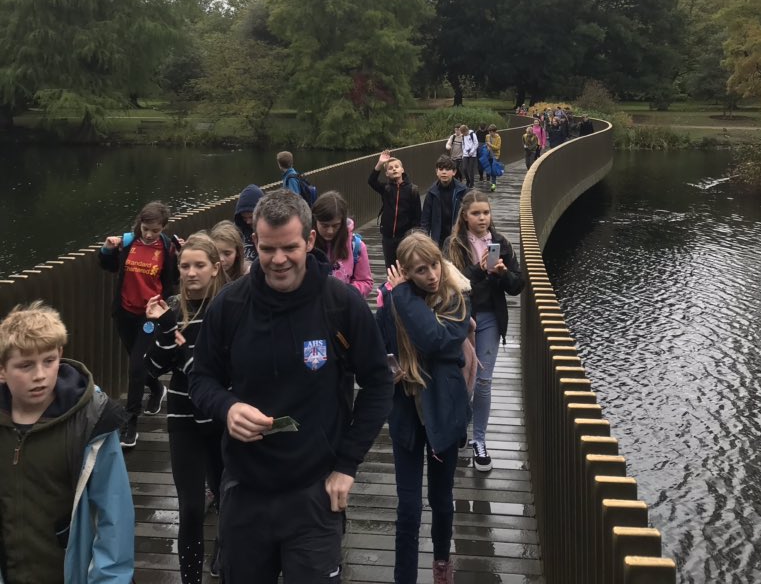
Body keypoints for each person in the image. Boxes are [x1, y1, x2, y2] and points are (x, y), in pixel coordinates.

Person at [188, 190, 393, 584]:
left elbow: (379, 383)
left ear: (310, 240)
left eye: (289, 248)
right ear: (255, 242)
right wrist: (227, 408)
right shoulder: (230, 305)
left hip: (314, 493)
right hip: (245, 492)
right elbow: (201, 379)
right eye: (267, 249)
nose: (278, 259)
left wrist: (347, 465)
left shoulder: (340, 304)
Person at [0, 301, 134, 584]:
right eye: (25, 365)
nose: (40, 375)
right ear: (2, 370)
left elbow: (114, 516)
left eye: (49, 361)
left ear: (60, 355)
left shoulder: (91, 422)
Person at [376, 233, 472, 584]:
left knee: (441, 499)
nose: (432, 275)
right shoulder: (390, 307)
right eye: (420, 270)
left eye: (434, 265)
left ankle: (442, 562)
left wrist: (401, 294)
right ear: (405, 272)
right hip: (406, 415)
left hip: (443, 415)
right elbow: (377, 349)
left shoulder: (455, 300)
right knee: (408, 508)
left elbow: (435, 339)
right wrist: (388, 368)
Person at [146, 233, 225, 584]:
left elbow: (219, 368)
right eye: (185, 266)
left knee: (228, 500)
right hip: (184, 417)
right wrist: (166, 330)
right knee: (191, 508)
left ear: (215, 268)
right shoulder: (172, 309)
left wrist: (185, 354)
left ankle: (225, 557)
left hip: (222, 417)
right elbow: (153, 367)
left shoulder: (227, 308)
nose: (191, 273)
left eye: (199, 266)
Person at [444, 190, 525, 473]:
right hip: (462, 319)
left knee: (483, 380)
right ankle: (461, 425)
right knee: (462, 377)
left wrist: (503, 274)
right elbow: (450, 284)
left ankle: (479, 440)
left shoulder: (500, 243)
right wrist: (479, 270)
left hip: (490, 317)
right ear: (465, 216)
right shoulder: (453, 244)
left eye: (486, 213)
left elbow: (518, 285)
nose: (482, 218)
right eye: (476, 213)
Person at [98, 199, 180, 447]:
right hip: (125, 312)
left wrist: (182, 254)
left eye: (155, 230)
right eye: (146, 229)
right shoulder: (128, 242)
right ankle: (156, 389)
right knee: (137, 363)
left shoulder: (167, 248)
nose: (149, 234)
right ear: (139, 224)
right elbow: (109, 266)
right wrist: (106, 249)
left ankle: (130, 422)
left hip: (150, 315)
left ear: (163, 228)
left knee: (137, 365)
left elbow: (174, 279)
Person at [311, 190, 374, 298]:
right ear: (315, 221)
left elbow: (366, 282)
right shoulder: (303, 244)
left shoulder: (356, 247)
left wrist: (344, 292)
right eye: (325, 226)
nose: (330, 231)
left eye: (335, 226)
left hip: (343, 304)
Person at [368, 150, 422, 268]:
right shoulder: (386, 189)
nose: (394, 169)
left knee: (406, 267)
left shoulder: (412, 190)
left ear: (402, 170)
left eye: (397, 167)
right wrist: (380, 163)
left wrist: (414, 236)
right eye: (390, 168)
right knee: (391, 268)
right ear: (387, 173)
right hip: (388, 237)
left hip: (405, 237)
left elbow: (417, 217)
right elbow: (371, 181)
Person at [420, 155, 467, 246]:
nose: (444, 172)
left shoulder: (462, 191)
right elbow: (425, 220)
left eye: (447, 169)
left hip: (458, 239)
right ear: (436, 172)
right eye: (441, 169)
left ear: (454, 172)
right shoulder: (431, 193)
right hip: (438, 239)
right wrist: (424, 241)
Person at [234, 184, 264, 264]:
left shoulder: (270, 232)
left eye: (251, 217)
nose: (248, 222)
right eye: (244, 218)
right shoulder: (238, 232)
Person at [459, 124, 479, 188]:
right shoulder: (463, 136)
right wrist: (463, 153)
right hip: (465, 154)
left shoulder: (472, 134)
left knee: (471, 169)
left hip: (472, 154)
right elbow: (463, 145)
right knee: (464, 168)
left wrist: (472, 151)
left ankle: (472, 183)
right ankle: (468, 180)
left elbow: (476, 144)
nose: (463, 134)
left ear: (466, 130)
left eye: (463, 132)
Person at [486, 124, 502, 190]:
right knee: (489, 169)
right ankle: (491, 181)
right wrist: (487, 147)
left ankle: (493, 184)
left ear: (494, 131)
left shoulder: (498, 138)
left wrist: (490, 145)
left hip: (495, 155)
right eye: (489, 132)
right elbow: (487, 144)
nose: (490, 133)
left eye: (491, 132)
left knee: (493, 170)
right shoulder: (487, 136)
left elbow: (498, 147)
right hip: (489, 155)